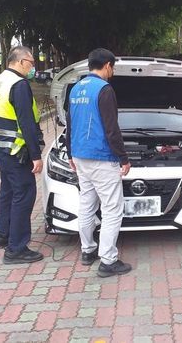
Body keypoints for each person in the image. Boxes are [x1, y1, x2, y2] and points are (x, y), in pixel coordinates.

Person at [66, 48, 132, 277]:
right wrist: (123, 158)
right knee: (112, 209)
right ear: (106, 65)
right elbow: (111, 129)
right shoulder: (104, 90)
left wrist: (70, 153)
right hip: (102, 157)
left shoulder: (75, 89)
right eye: (112, 67)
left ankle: (87, 250)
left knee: (87, 204)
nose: (112, 72)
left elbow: (70, 124)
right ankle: (108, 261)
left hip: (80, 156)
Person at [0, 46, 45, 264]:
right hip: (17, 150)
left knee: (8, 191)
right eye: (31, 63)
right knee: (24, 193)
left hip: (1, 148)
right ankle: (16, 249)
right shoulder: (19, 85)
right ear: (21, 61)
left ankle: (3, 236)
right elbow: (26, 123)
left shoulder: (0, 80)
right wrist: (36, 154)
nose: (32, 67)